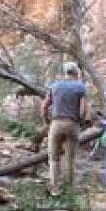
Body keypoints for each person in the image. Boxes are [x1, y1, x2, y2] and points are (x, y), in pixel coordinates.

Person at [41, 62, 88, 193]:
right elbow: (83, 110)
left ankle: (55, 189)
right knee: (70, 160)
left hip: (56, 123)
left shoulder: (54, 86)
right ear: (76, 72)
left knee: (54, 159)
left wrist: (47, 122)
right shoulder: (80, 87)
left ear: (65, 72)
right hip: (72, 124)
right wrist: (80, 122)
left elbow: (44, 106)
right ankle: (69, 191)